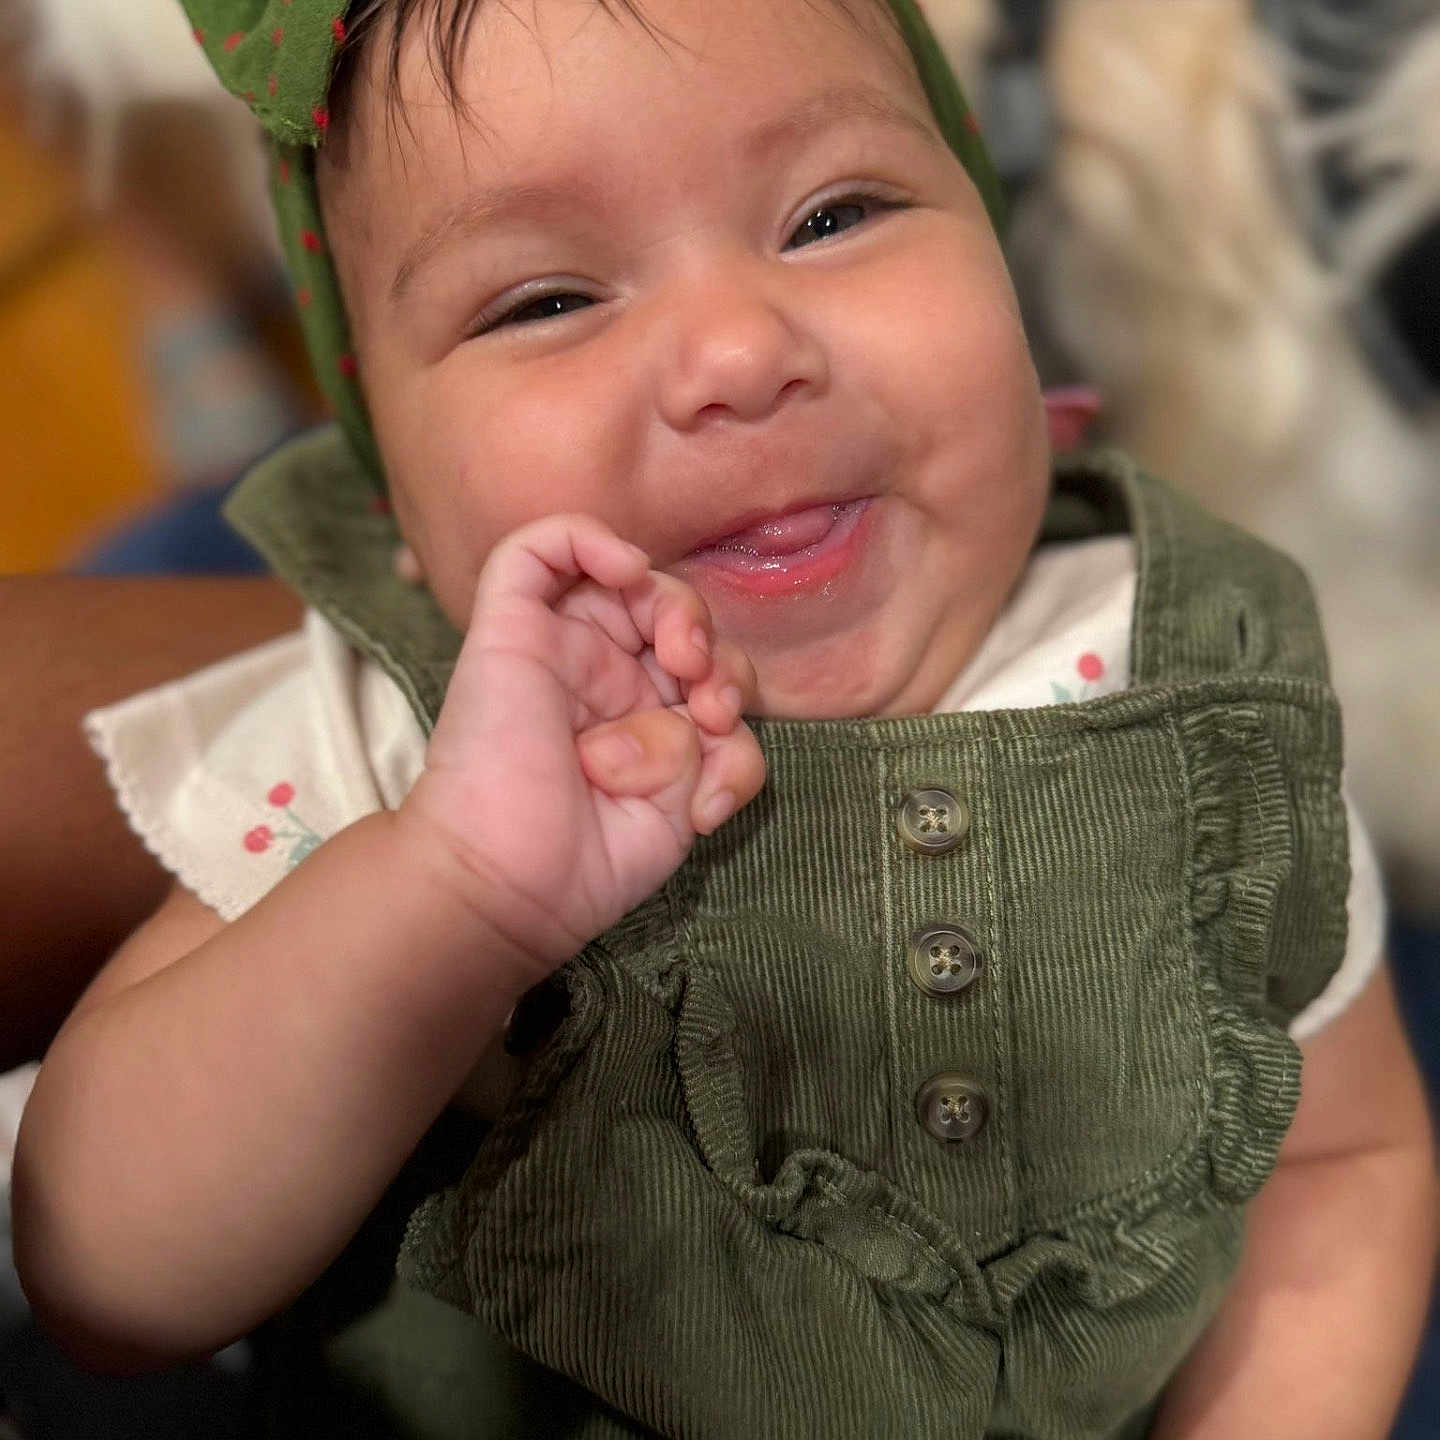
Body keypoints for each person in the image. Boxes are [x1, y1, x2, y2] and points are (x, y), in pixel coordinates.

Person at [10, 2, 1436, 1437]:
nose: (739, 353)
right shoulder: (403, 752)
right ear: (393, 485)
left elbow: (1337, 1166)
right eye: (547, 301)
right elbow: (108, 1270)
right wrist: (454, 896)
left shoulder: (1194, 671)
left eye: (834, 213)